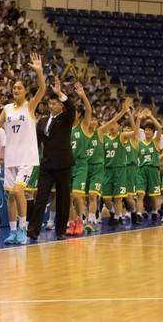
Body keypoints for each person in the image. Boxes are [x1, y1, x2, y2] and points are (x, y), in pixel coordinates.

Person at [0, 53, 46, 245]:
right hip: (11, 158)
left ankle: (23, 228)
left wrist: (39, 72)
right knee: (10, 196)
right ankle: (13, 232)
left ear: (25, 92)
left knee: (19, 191)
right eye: (14, 88)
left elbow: (43, 89)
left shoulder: (30, 107)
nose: (16, 90)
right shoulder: (7, 109)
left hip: (27, 158)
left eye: (19, 88)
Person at [26, 77, 75, 240]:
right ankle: (33, 229)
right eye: (50, 104)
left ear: (60, 105)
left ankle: (61, 230)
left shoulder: (67, 118)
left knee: (63, 198)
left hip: (63, 164)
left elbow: (72, 107)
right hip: (46, 164)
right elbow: (36, 143)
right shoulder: (43, 121)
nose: (51, 106)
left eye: (54, 104)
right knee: (41, 197)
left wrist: (60, 93)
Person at [101, 99, 135, 228]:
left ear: (119, 126)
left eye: (115, 124)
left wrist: (129, 114)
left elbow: (135, 132)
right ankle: (113, 212)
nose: (112, 126)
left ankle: (116, 218)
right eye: (111, 124)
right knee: (106, 198)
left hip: (120, 169)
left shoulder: (122, 136)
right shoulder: (104, 136)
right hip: (107, 169)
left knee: (119, 197)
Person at [66, 82, 92, 236]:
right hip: (68, 165)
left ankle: (80, 220)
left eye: (75, 111)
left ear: (79, 115)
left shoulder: (83, 126)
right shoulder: (66, 128)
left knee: (77, 195)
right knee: (68, 198)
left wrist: (83, 96)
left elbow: (89, 110)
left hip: (81, 165)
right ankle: (71, 223)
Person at [136, 109, 163, 222]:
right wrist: (138, 119)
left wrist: (151, 116)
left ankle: (155, 211)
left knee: (154, 195)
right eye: (146, 130)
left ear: (153, 133)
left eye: (149, 130)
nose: (147, 132)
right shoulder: (140, 142)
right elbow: (136, 131)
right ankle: (139, 214)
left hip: (153, 170)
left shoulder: (155, 142)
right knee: (140, 194)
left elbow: (160, 128)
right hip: (142, 170)